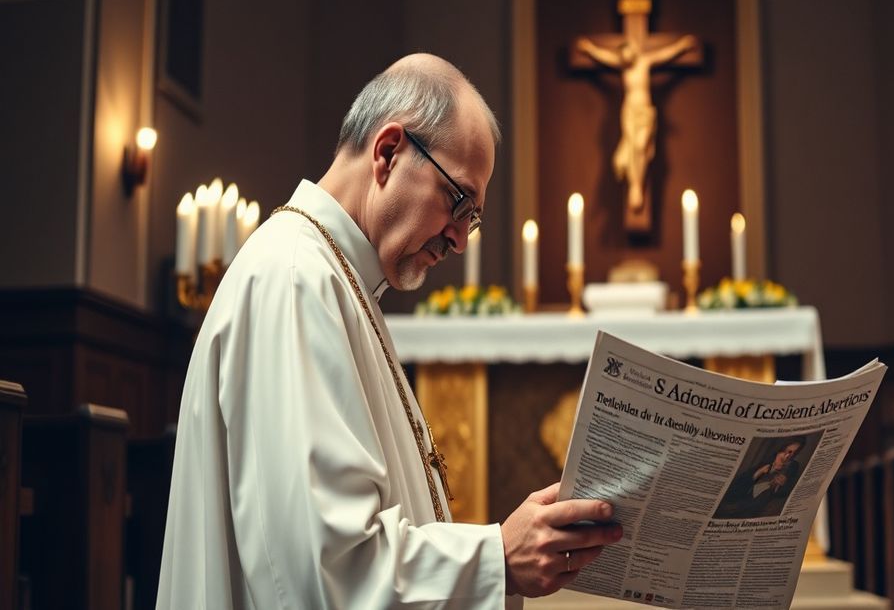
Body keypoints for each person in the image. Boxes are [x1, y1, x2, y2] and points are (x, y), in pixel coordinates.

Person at [157, 53, 622, 608]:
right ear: (388, 152)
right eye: (459, 203)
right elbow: (324, 573)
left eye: (472, 218)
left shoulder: (338, 279)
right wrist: (496, 556)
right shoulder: (295, 278)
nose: (459, 239)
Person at [576, 33, 698, 215]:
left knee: (641, 146)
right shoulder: (624, 68)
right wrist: (590, 49)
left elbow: (665, 54)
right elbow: (606, 57)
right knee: (632, 148)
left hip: (644, 112)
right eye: (623, 57)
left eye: (629, 54)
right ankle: (635, 187)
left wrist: (682, 46)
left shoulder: (645, 62)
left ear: (634, 50)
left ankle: (637, 186)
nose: (626, 59)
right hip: (630, 111)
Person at [713, 438, 806, 520]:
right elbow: (740, 483)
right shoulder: (766, 458)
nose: (788, 456)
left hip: (758, 505)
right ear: (782, 448)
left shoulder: (792, 466)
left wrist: (781, 484)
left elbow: (787, 491)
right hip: (743, 497)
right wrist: (759, 473)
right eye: (788, 451)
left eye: (794, 453)